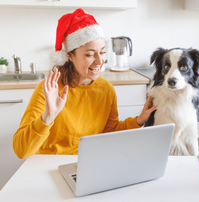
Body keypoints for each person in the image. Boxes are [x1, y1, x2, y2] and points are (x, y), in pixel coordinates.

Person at [13, 8, 157, 159]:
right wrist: (48, 117)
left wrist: (139, 121)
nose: (100, 61)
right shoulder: (49, 89)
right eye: (89, 54)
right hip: (50, 164)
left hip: (89, 163)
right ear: (70, 55)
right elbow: (21, 150)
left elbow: (109, 132)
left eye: (102, 52)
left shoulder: (106, 89)